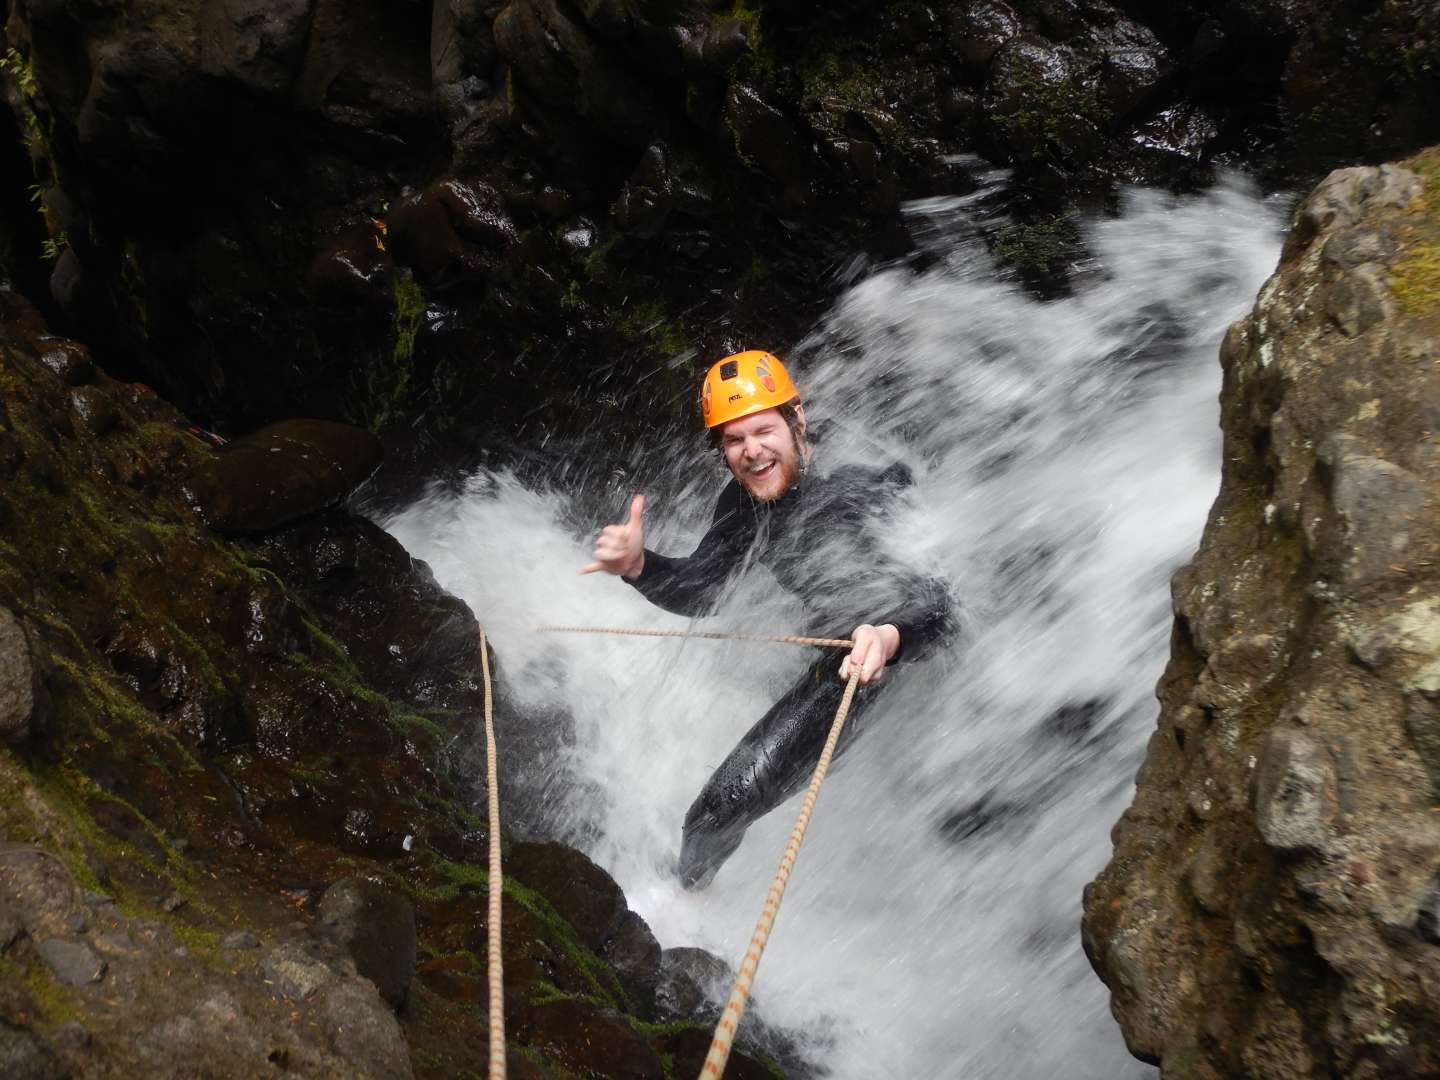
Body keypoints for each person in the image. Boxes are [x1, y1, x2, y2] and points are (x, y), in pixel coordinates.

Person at [581, 350, 954, 888]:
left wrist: (891, 635)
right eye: (733, 440)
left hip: (900, 647)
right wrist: (639, 566)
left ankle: (676, 907)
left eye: (763, 430)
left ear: (796, 419)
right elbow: (703, 590)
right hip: (849, 655)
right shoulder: (744, 502)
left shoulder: (865, 481)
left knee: (713, 816)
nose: (751, 451)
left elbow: (940, 598)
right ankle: (686, 909)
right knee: (713, 818)